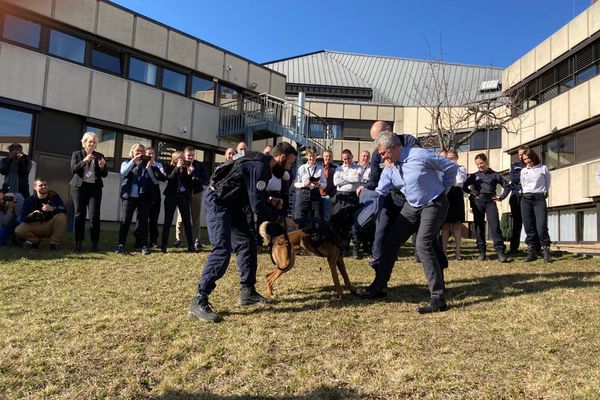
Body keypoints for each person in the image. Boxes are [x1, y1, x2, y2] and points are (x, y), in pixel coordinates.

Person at [189, 142, 298, 323]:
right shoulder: (260, 167)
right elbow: (256, 206)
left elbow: (249, 189)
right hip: (219, 203)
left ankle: (247, 292)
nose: (289, 168)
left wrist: (268, 200)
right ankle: (199, 299)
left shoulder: (259, 161)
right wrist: (280, 219)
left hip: (232, 204)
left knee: (247, 243)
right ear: (281, 158)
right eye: (290, 163)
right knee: (222, 248)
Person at [361, 131, 458, 314]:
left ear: (394, 147)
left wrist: (442, 190)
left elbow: (451, 168)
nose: (382, 158)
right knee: (391, 241)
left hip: (434, 203)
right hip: (412, 206)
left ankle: (438, 298)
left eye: (383, 153)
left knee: (423, 244)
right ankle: (379, 287)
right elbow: (381, 191)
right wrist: (364, 201)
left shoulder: (420, 155)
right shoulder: (391, 167)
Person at [364, 121, 420, 271]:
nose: (376, 144)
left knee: (421, 230)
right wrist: (366, 189)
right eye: (374, 140)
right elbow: (374, 177)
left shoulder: (408, 141)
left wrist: (396, 165)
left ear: (389, 131)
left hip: (411, 195)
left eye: (378, 138)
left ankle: (429, 258)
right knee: (381, 227)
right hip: (390, 195)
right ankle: (378, 259)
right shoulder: (377, 153)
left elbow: (417, 163)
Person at [462, 153, 511, 262]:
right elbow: (464, 186)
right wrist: (471, 191)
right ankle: (482, 252)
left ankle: (500, 252)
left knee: (495, 226)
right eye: (477, 164)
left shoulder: (494, 174)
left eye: (481, 163)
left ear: (486, 162)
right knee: (479, 227)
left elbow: (507, 185)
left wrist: (501, 198)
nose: (480, 166)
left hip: (490, 202)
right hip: (478, 202)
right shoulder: (474, 176)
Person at [115, 143, 157, 255]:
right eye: (137, 151)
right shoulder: (126, 162)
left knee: (143, 222)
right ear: (132, 152)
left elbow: (154, 179)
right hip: (128, 197)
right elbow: (123, 173)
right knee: (125, 220)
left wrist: (149, 167)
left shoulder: (146, 164)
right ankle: (120, 244)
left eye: (141, 151)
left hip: (143, 197)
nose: (139, 153)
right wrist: (133, 161)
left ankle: (144, 245)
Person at [69, 132, 108, 252]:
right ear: (84, 142)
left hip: (94, 189)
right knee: (79, 214)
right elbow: (73, 170)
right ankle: (78, 242)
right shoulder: (77, 154)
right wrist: (84, 161)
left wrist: (102, 167)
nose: (92, 144)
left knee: (94, 215)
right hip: (79, 188)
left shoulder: (99, 155)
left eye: (94, 142)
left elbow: (104, 174)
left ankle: (94, 243)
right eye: (90, 141)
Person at [15, 178, 67, 249]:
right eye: (41, 185)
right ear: (35, 188)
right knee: (18, 230)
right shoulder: (29, 200)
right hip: (35, 225)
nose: (44, 187)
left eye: (45, 185)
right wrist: (31, 215)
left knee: (61, 216)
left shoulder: (54, 196)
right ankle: (35, 241)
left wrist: (53, 208)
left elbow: (63, 209)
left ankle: (54, 243)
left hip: (50, 225)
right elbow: (22, 218)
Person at [520, 148, 552, 263]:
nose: (527, 161)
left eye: (528, 158)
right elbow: (523, 185)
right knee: (529, 227)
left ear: (533, 156)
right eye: (524, 159)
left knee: (541, 226)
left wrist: (545, 192)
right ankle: (531, 252)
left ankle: (546, 251)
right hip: (526, 199)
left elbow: (548, 182)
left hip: (539, 198)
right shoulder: (523, 171)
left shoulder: (543, 168)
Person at [174, 146, 208, 251]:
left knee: (196, 218)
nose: (190, 157)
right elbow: (176, 178)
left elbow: (205, 179)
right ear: (184, 155)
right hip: (183, 194)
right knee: (181, 217)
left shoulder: (199, 165)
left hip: (196, 193)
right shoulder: (180, 165)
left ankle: (197, 240)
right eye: (188, 155)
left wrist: (194, 177)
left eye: (192, 155)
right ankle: (178, 239)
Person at [161, 151, 195, 253]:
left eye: (183, 158)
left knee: (187, 221)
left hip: (183, 197)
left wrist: (189, 174)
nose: (182, 159)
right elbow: (170, 178)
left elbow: (188, 184)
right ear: (175, 159)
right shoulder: (169, 167)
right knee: (168, 220)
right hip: (171, 196)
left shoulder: (185, 168)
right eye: (180, 158)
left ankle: (191, 245)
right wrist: (177, 168)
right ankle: (164, 246)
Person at [508, 145, 539, 255]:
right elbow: (513, 178)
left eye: (523, 154)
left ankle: (536, 249)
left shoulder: (535, 166)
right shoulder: (514, 166)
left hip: (530, 196)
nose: (521, 157)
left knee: (532, 222)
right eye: (520, 154)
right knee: (517, 223)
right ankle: (513, 249)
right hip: (516, 197)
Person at [333, 149, 363, 258]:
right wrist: (349, 179)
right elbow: (336, 182)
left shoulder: (358, 168)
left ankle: (356, 249)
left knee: (353, 223)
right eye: (344, 159)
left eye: (349, 158)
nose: (347, 161)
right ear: (342, 159)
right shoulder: (338, 168)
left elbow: (356, 179)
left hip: (352, 196)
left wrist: (343, 177)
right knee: (339, 224)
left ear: (352, 157)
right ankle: (342, 249)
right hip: (340, 197)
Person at [134, 147, 166, 248]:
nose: (150, 156)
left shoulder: (158, 165)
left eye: (152, 154)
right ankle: (139, 240)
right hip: (144, 195)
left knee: (153, 218)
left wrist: (151, 169)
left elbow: (159, 180)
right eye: (148, 154)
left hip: (155, 194)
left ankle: (153, 240)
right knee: (141, 219)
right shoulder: (141, 165)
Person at [441, 150, 467, 260]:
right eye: (448, 158)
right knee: (445, 225)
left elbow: (460, 180)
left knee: (457, 224)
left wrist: (454, 167)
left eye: (452, 158)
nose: (450, 160)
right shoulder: (443, 169)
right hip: (446, 194)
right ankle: (444, 252)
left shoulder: (461, 168)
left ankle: (458, 253)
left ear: (456, 158)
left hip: (456, 194)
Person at [293, 148, 326, 223]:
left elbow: (325, 184)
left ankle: (316, 234)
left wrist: (319, 184)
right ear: (307, 156)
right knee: (299, 218)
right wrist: (304, 184)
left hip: (315, 194)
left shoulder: (320, 168)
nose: (312, 158)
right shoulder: (302, 168)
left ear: (316, 156)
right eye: (310, 156)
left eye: (313, 156)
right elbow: (296, 183)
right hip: (303, 194)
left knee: (317, 218)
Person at [320, 149, 337, 221]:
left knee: (327, 217)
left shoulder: (336, 168)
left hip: (329, 196)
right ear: (323, 157)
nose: (328, 158)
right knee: (318, 216)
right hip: (317, 195)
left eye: (330, 156)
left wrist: (332, 195)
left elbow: (337, 183)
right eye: (326, 156)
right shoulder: (318, 167)